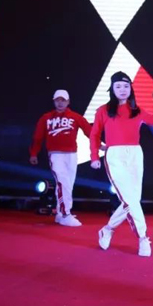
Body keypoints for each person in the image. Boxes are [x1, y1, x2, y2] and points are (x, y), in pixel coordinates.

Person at [90, 72, 153, 257]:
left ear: (131, 88)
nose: (122, 90)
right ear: (112, 89)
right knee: (130, 200)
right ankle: (143, 238)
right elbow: (94, 134)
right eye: (118, 86)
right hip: (114, 156)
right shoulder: (103, 110)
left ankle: (108, 229)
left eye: (125, 86)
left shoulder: (137, 110)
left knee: (132, 200)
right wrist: (94, 157)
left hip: (135, 155)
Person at [30, 89, 92, 227]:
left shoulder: (75, 117)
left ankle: (60, 212)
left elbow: (89, 131)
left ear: (68, 102)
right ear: (53, 101)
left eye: (63, 100)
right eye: (57, 100)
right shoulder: (46, 118)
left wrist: (99, 145)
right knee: (63, 183)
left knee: (68, 184)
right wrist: (34, 153)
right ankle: (65, 214)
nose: (60, 103)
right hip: (55, 155)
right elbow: (38, 137)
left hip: (72, 155)